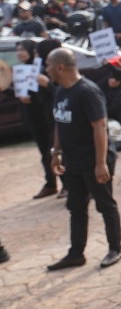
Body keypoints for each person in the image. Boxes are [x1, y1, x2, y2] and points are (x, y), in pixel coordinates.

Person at [46, 48, 121, 271]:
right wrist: (55, 153)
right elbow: (59, 122)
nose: (46, 70)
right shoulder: (60, 91)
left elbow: (99, 127)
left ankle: (115, 248)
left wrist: (100, 164)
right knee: (76, 206)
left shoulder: (87, 92)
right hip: (73, 162)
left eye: (49, 65)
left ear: (60, 67)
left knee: (105, 204)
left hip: (94, 161)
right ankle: (76, 253)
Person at [16, 40, 59, 198]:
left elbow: (45, 95)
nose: (19, 53)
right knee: (45, 154)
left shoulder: (41, 70)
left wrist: (34, 96)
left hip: (45, 118)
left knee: (53, 153)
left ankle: (66, 185)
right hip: (33, 119)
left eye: (23, 49)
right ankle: (51, 183)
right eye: (17, 50)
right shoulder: (22, 71)